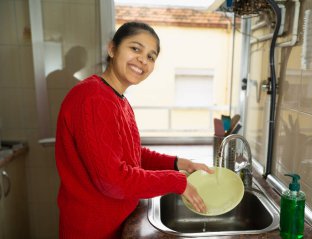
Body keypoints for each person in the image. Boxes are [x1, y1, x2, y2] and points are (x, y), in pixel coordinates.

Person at [55, 21, 213, 239]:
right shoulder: (93, 98)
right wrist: (177, 181)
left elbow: (131, 154)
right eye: (135, 48)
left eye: (151, 56)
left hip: (113, 222)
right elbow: (113, 181)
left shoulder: (117, 99)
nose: (143, 60)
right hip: (93, 229)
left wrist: (178, 163)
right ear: (112, 49)